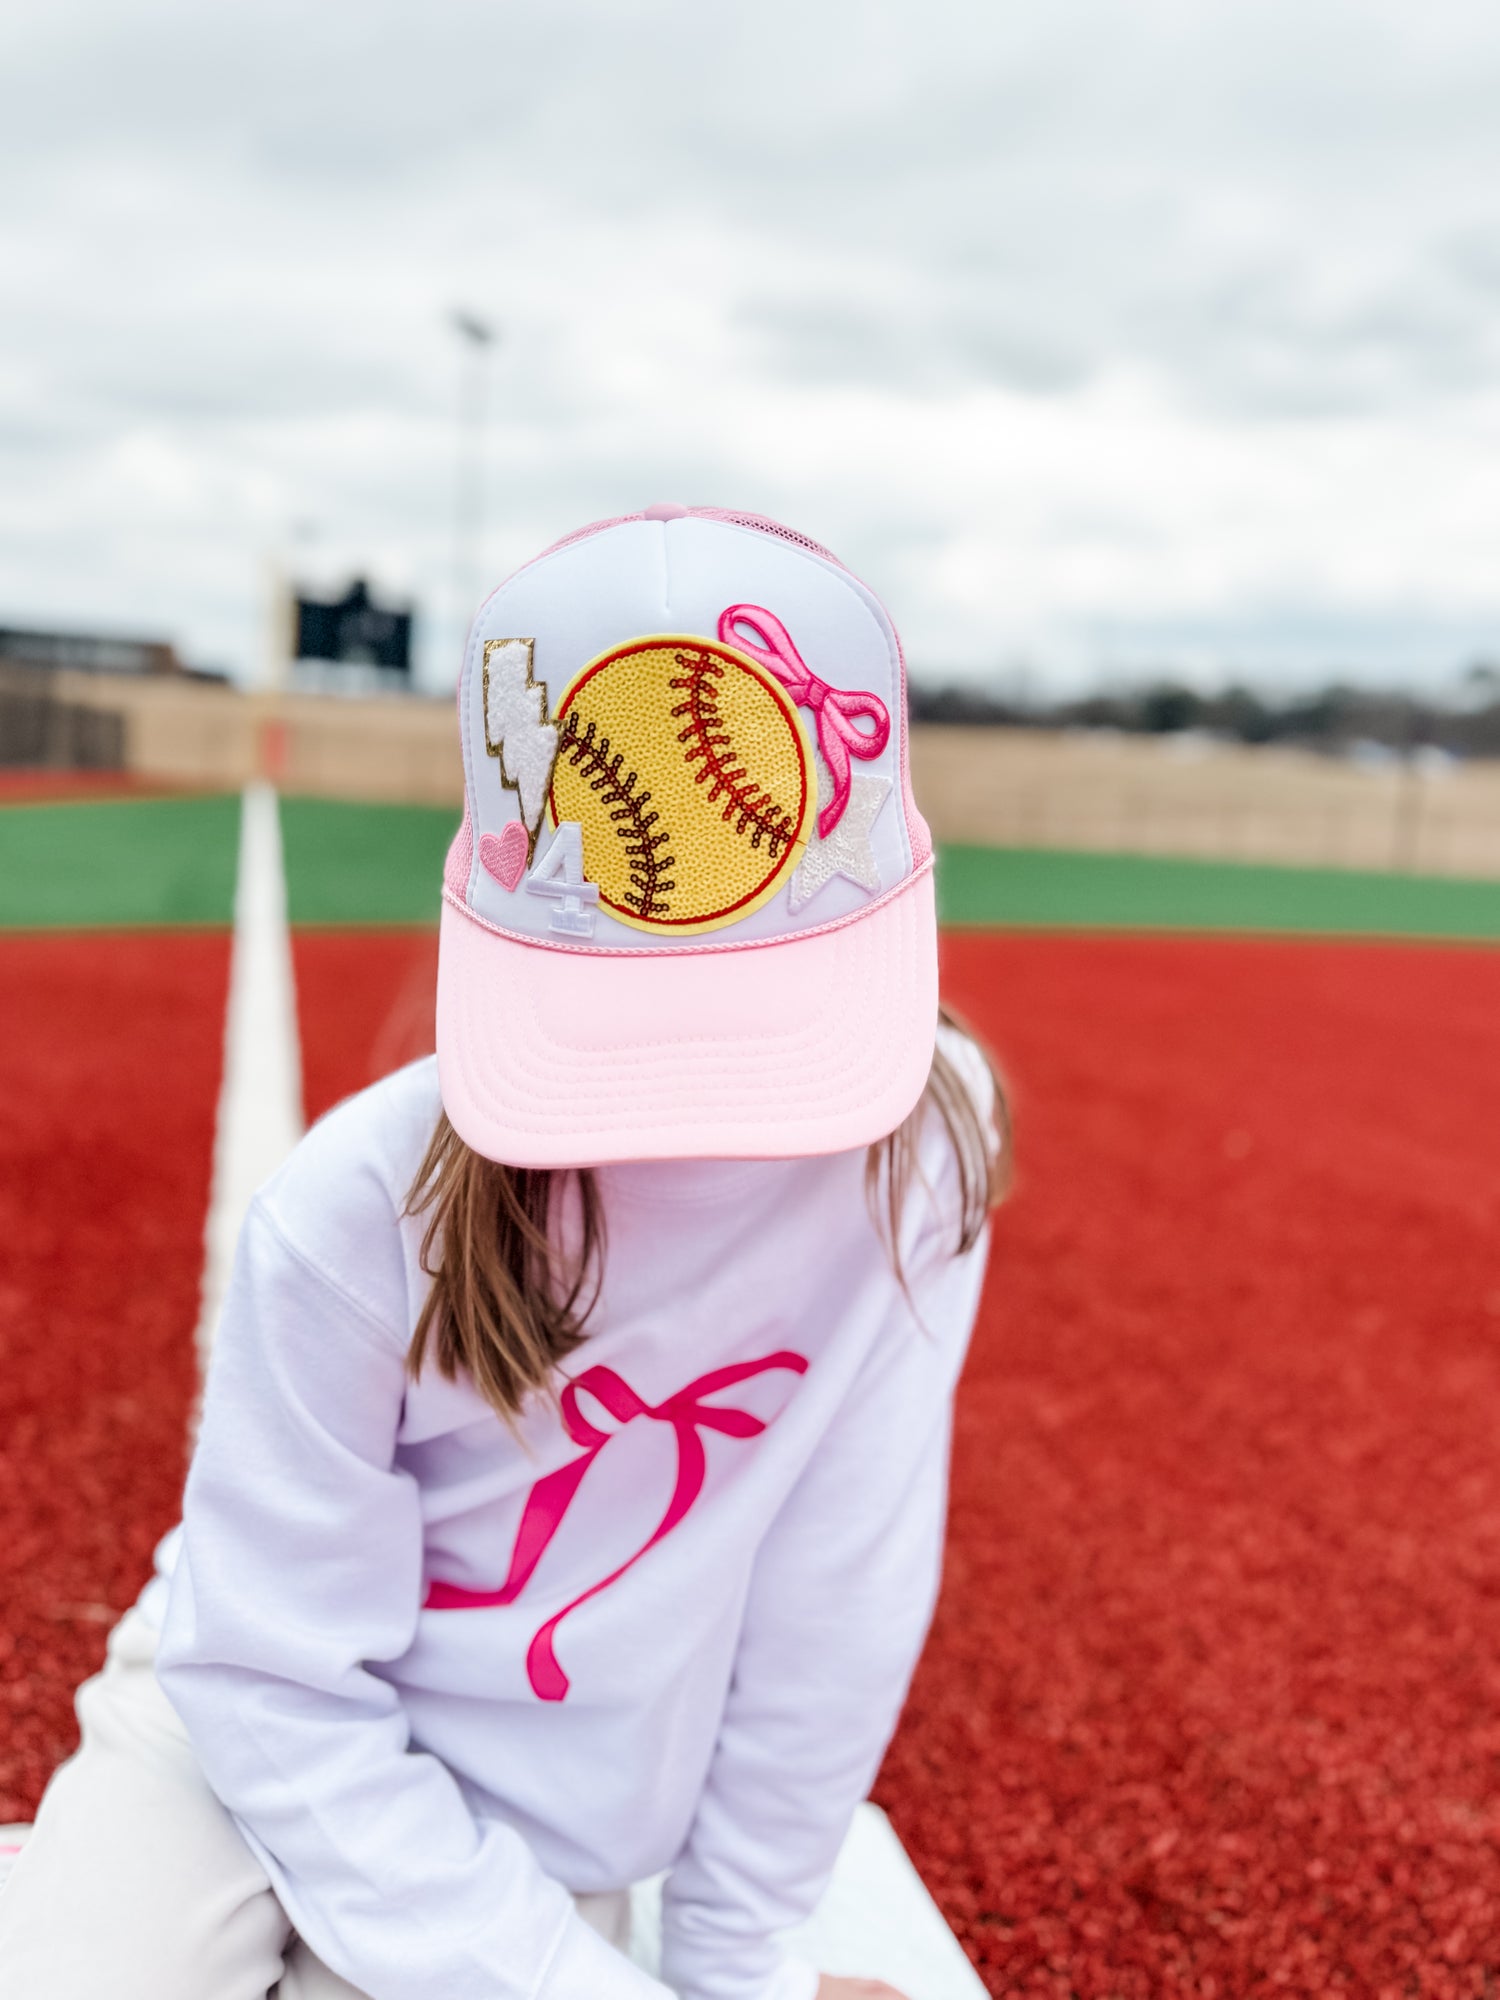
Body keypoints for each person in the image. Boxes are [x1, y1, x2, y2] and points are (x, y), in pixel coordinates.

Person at [0, 505, 1006, 2000]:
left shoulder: (919, 1161)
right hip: (250, 1724)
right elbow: (275, 1680)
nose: (695, 1109)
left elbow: (837, 1587)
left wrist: (739, 1966)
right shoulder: (356, 1211)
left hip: (548, 1803)